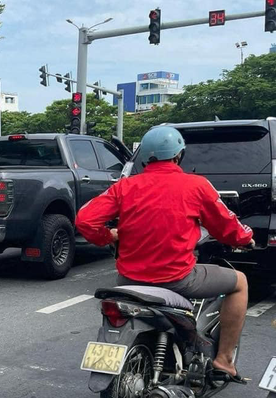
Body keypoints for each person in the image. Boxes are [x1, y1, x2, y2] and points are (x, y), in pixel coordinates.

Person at [75, 125, 255, 381]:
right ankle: (224, 360)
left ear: (147, 157)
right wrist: (246, 238)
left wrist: (108, 235)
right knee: (240, 282)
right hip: (178, 279)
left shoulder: (125, 187)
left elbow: (85, 220)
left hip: (128, 282)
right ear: (178, 155)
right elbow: (228, 226)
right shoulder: (197, 186)